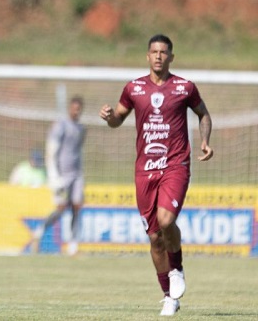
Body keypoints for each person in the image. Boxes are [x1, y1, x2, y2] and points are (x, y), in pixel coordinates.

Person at [99, 34, 214, 317]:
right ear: (147, 56)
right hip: (144, 170)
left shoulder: (185, 88)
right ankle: (168, 296)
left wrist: (205, 140)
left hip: (175, 165)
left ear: (171, 57)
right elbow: (118, 120)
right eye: (154, 52)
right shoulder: (134, 88)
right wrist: (110, 115)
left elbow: (204, 114)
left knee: (166, 220)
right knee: (154, 238)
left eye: (164, 52)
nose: (159, 56)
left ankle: (177, 269)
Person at [33, 96, 86, 255]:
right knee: (61, 208)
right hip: (61, 174)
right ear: (70, 108)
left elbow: (78, 152)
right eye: (74, 108)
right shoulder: (61, 126)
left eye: (79, 109)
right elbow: (52, 150)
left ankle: (73, 246)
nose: (76, 111)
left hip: (76, 174)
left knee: (77, 205)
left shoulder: (81, 128)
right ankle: (40, 230)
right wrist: (53, 175)